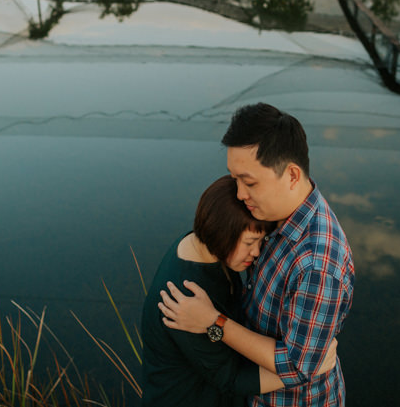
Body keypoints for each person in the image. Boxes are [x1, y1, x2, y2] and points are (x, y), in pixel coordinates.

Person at [159, 102, 355, 407]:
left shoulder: (317, 266)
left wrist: (214, 322)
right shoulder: (276, 214)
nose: (238, 194)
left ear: (291, 176)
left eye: (249, 182)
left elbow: (297, 367)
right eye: (235, 178)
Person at [140, 174, 338, 406]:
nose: (256, 253)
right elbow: (231, 378)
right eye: (249, 242)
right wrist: (307, 369)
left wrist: (213, 323)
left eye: (261, 241)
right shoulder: (182, 299)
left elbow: (213, 336)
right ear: (222, 230)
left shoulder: (204, 250)